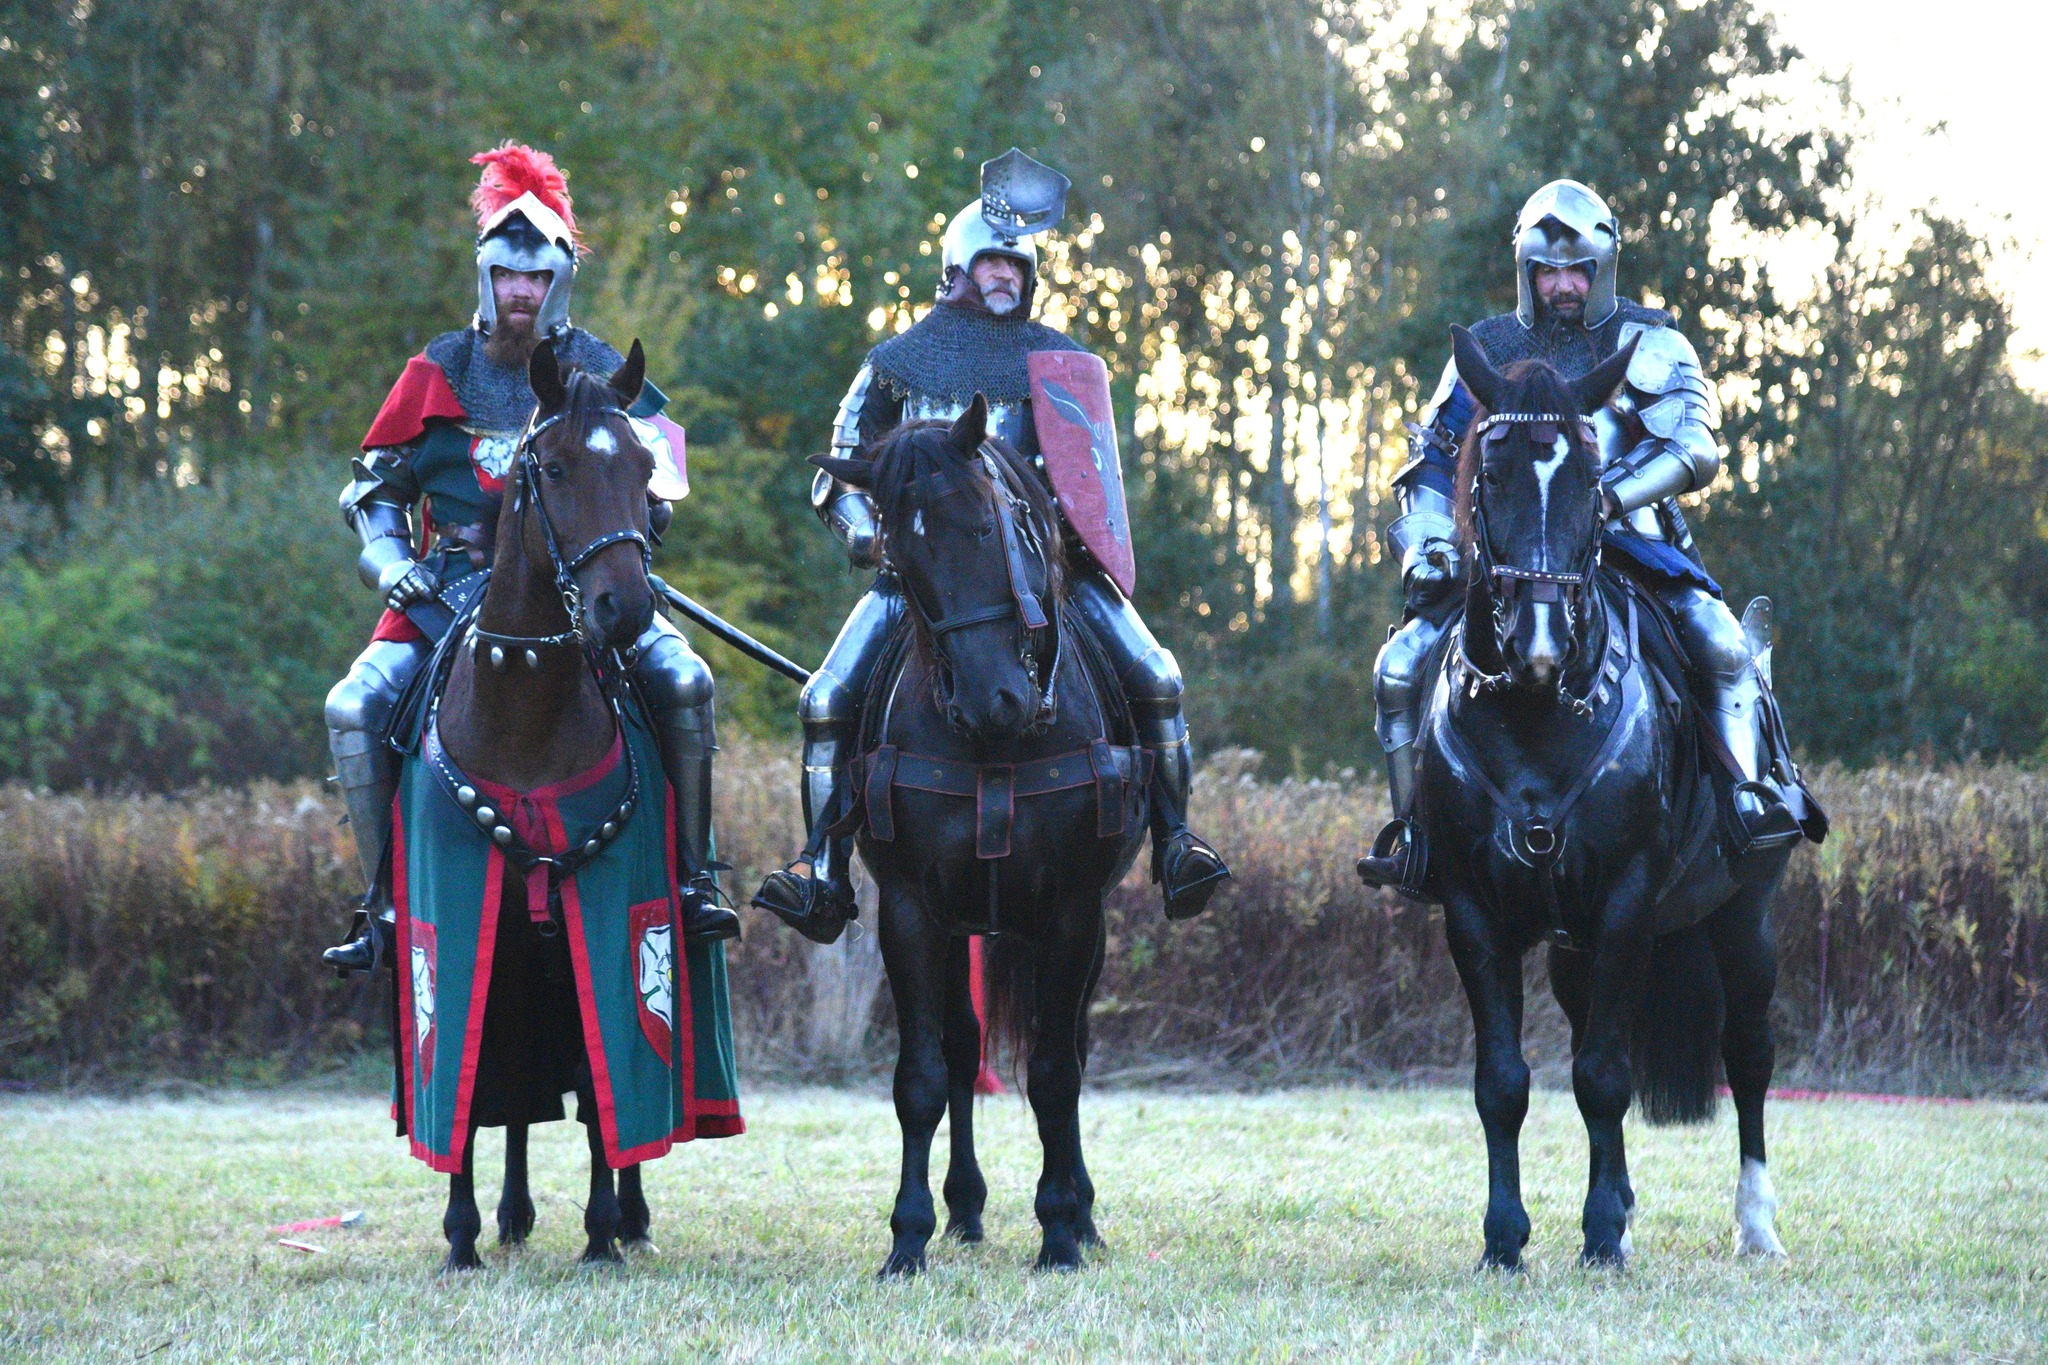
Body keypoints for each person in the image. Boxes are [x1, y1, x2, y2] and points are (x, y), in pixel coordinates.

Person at [752, 149, 1230, 944]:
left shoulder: (1061, 364)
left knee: (1157, 675)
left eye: (1017, 265)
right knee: (827, 699)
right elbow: (837, 472)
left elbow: (1090, 481)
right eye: (992, 262)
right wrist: (871, 538)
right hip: (921, 581)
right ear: (957, 269)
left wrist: (1070, 544)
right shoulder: (896, 363)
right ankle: (822, 871)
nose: (1006, 274)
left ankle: (1177, 843)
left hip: (1050, 575)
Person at [321, 143, 737, 973]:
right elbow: (373, 490)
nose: (522, 290)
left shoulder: (603, 370)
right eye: (509, 275)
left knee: (684, 680)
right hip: (444, 589)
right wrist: (393, 565)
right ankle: (383, 906)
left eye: (537, 277)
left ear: (560, 283)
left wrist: (629, 536)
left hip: (581, 587)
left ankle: (694, 878)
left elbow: (657, 488)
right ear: (486, 278)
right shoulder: (437, 370)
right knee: (355, 704)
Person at [1358, 178, 1813, 889]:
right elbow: (1433, 462)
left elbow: (1693, 447)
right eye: (1548, 273)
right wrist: (1431, 544)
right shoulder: (1486, 350)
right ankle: (1417, 836)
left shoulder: (1651, 342)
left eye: (1578, 272)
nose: (1563, 287)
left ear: (1603, 270)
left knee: (1721, 644)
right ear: (1526, 273)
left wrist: (1604, 498)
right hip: (1508, 554)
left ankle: (1746, 801)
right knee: (1400, 665)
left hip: (1632, 542)